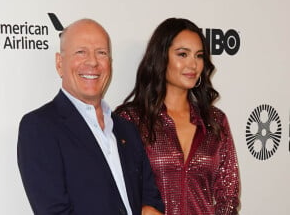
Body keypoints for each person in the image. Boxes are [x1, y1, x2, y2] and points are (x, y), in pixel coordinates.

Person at [17, 19, 164, 215]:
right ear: (60, 64)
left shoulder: (126, 129)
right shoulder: (39, 127)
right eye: (81, 52)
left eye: (101, 53)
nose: (93, 62)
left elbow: (151, 198)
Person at [115, 17, 240, 215]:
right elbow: (117, 189)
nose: (193, 64)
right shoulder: (131, 119)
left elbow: (228, 196)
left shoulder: (215, 121)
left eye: (199, 56)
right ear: (161, 57)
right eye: (183, 54)